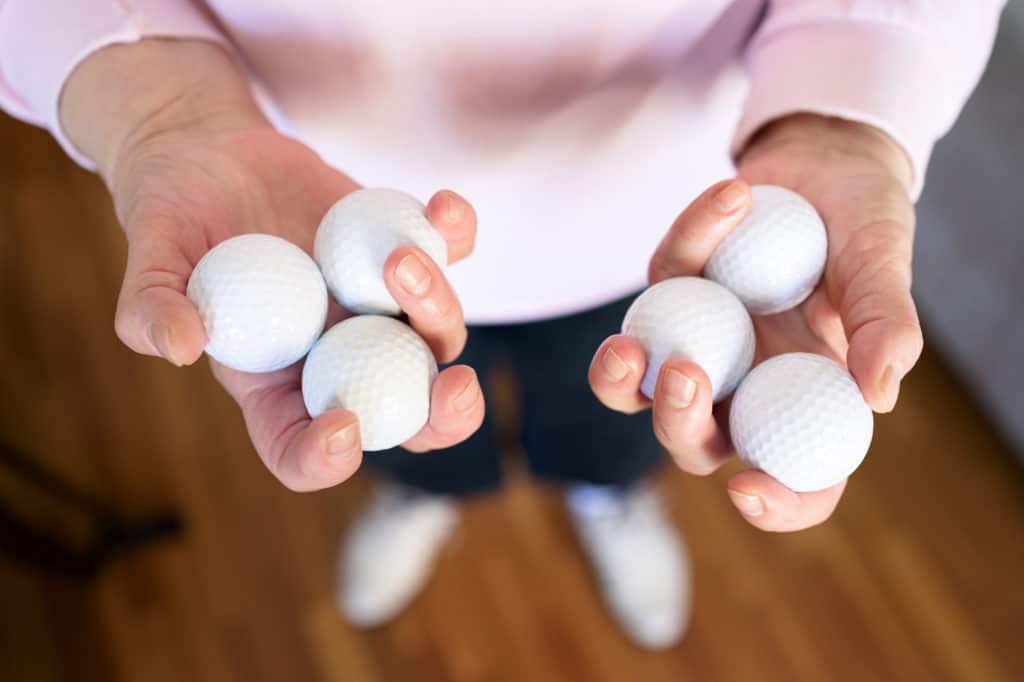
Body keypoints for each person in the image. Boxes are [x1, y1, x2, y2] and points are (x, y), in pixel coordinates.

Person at [0, 0, 1005, 649]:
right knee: (404, 425)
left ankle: (607, 499)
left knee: (623, 413)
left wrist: (843, 108)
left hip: (670, 237)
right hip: (322, 223)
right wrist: (156, 104)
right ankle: (424, 496)